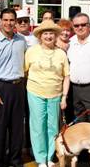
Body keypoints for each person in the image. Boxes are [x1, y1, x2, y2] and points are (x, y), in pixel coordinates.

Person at [0, 8, 27, 167]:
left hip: (18, 87)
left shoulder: (22, 41)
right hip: (0, 88)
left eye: (11, 20)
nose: (8, 23)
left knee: (17, 128)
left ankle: (15, 160)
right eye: (5, 20)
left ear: (15, 22)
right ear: (0, 22)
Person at [25, 20, 70, 167]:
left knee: (53, 127)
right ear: (40, 36)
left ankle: (50, 156)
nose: (49, 36)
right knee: (38, 126)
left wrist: (64, 96)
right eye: (45, 33)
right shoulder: (31, 51)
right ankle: (40, 158)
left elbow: (66, 76)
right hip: (35, 92)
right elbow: (25, 72)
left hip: (55, 94)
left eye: (51, 33)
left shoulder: (61, 53)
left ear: (56, 35)